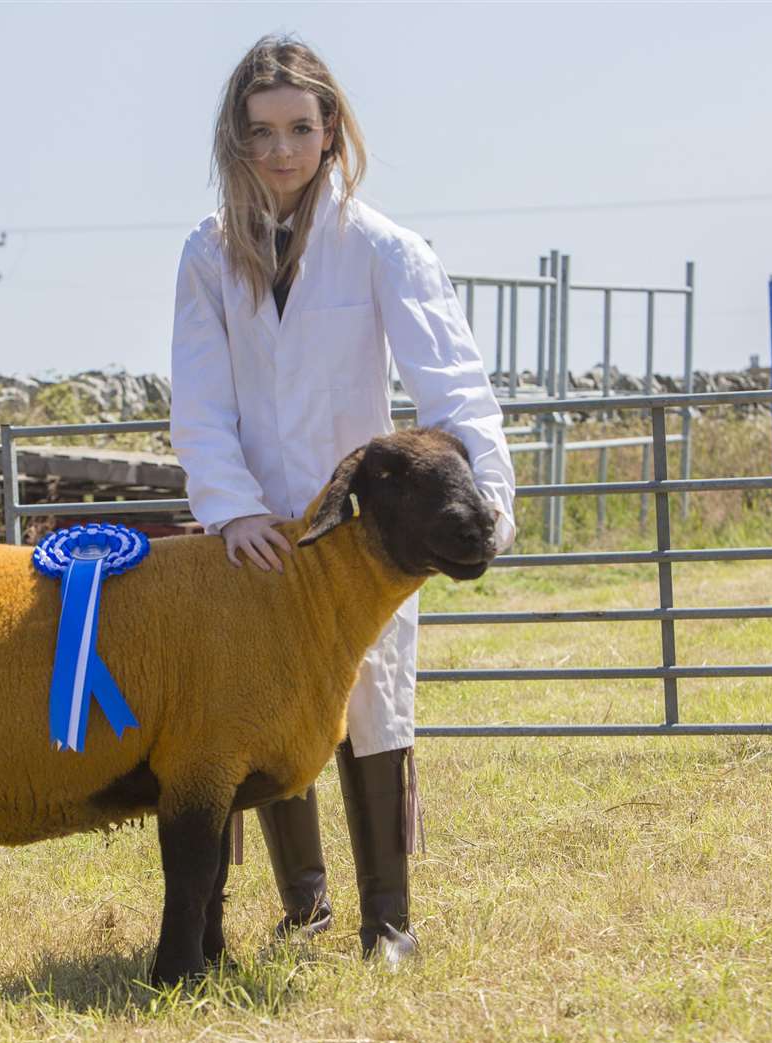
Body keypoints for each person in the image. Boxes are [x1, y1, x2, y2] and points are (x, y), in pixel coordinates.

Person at [168, 34, 517, 965]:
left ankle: (389, 921)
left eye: (298, 128)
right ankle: (305, 904)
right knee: (264, 702)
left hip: (364, 531)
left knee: (374, 700)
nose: (280, 150)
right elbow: (198, 403)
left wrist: (489, 506)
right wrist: (234, 508)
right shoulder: (208, 255)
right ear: (235, 141)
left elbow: (455, 388)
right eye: (260, 132)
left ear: (331, 133)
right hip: (259, 529)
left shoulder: (381, 247)